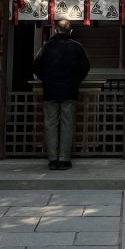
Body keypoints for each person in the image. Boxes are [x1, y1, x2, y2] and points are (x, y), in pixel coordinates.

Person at [33, 18, 90, 170]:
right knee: (67, 124)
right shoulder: (77, 47)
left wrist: (46, 79)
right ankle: (64, 159)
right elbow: (85, 67)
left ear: (56, 30)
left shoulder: (46, 47)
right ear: (71, 31)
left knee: (50, 124)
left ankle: (52, 159)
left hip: (50, 89)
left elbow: (36, 66)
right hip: (69, 90)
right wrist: (76, 80)